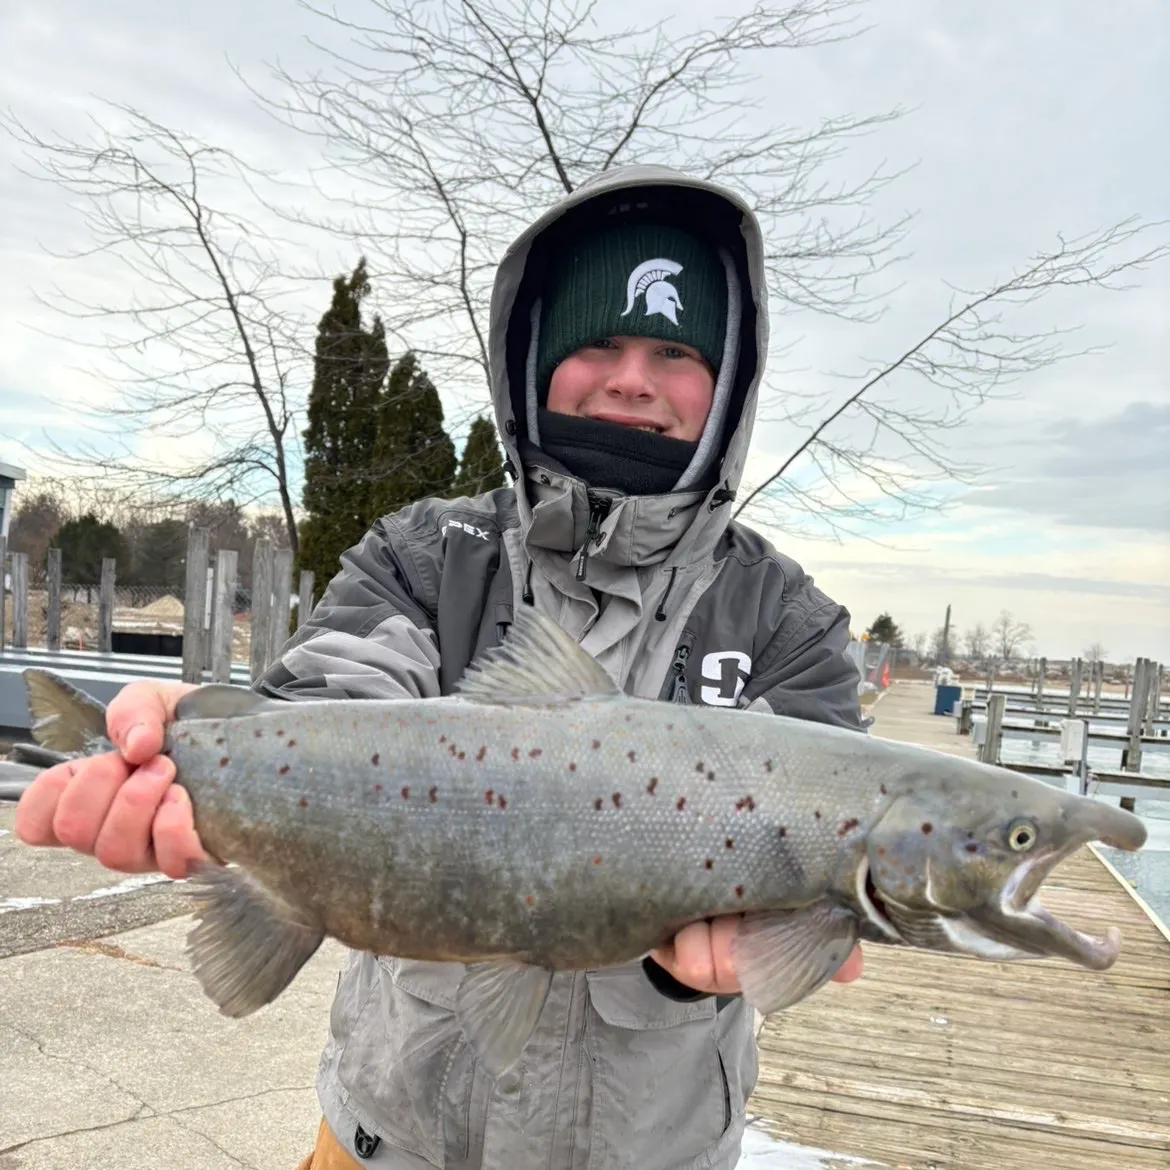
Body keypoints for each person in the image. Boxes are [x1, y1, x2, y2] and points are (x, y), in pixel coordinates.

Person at [16, 164, 865, 1170]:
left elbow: (821, 866)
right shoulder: (427, 554)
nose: (632, 378)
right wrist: (206, 730)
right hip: (388, 1135)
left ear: (725, 385)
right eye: (598, 341)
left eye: (674, 351)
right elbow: (337, 696)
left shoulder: (790, 621)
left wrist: (704, 966)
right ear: (532, 360)